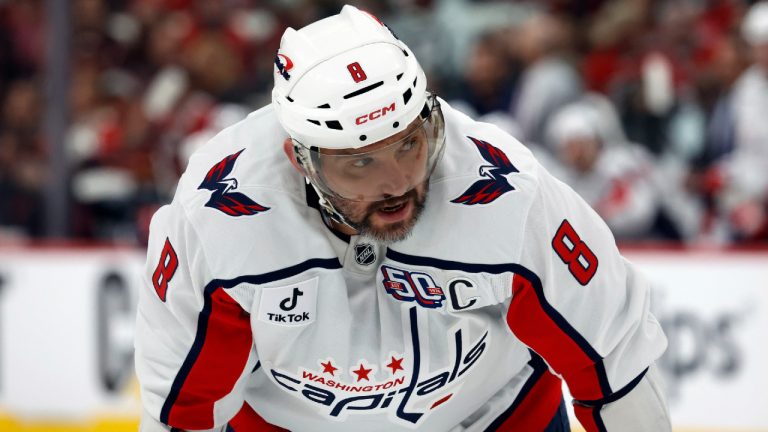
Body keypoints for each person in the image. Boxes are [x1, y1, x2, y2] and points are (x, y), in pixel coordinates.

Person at [135, 6, 671, 431]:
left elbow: (612, 359)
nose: (396, 183)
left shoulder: (507, 194)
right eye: (360, 162)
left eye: (410, 145)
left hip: (495, 420)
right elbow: (183, 411)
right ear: (301, 158)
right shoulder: (220, 217)